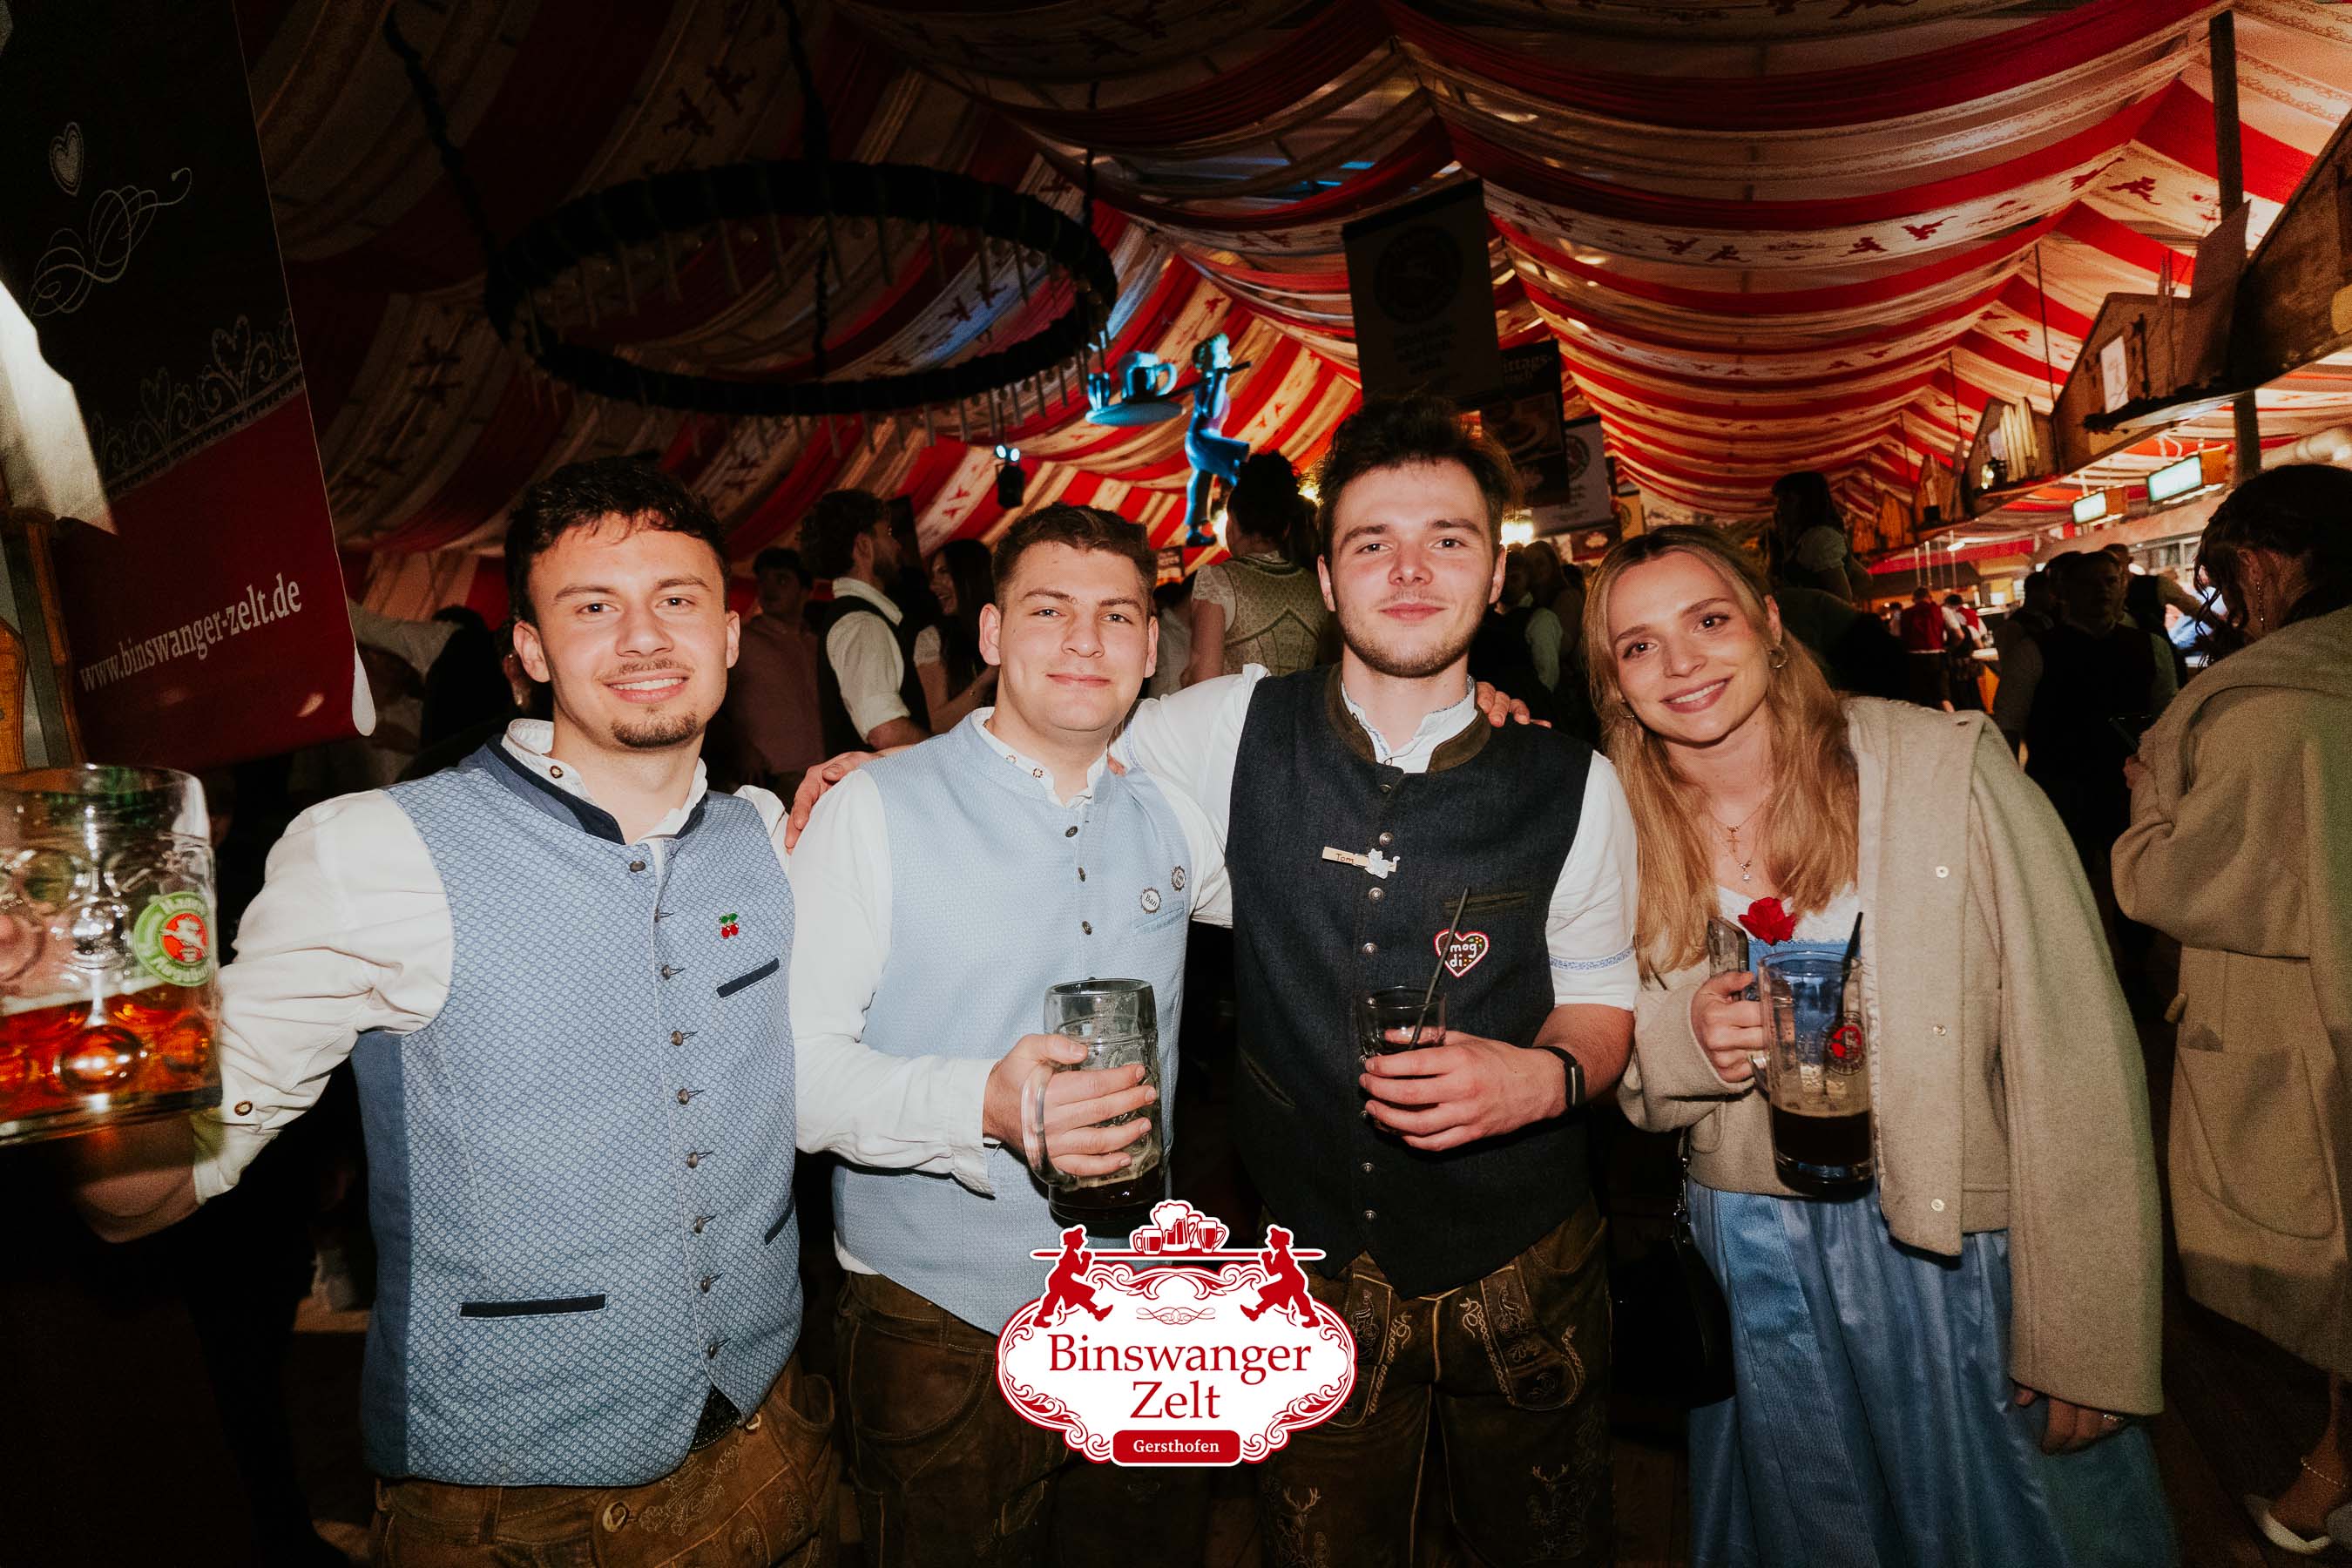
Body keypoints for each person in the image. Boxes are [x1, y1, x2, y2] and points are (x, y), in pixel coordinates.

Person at [66, 456, 841, 1565]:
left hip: (779, 1447)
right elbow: (132, 1198)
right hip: (520, 1513)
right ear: (531, 650)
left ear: (729, 635)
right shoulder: (377, 852)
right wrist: (78, 1010)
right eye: (592, 607)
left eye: (676, 599)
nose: (643, 637)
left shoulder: (767, 835)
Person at [1118, 392, 1638, 1566]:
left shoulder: (1574, 783)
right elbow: (1054, 755)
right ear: (1325, 577)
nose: (1409, 572)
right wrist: (879, 782)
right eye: (1371, 544)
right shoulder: (1224, 727)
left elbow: (1605, 996)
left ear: (1495, 575)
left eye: (1447, 539)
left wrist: (1545, 1080)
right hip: (1306, 1272)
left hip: (1526, 1267)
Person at [1597, 524, 2173, 1568]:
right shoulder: (1612, 825)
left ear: (1772, 625)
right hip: (1756, 1264)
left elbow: (2075, 1046)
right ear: (1613, 680)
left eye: (1710, 620)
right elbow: (1615, 1053)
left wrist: (2089, 1331)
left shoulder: (1939, 769)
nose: (1680, 663)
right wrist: (1686, 1038)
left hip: (1955, 1251)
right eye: (1639, 646)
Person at [789, 503, 1229, 1565]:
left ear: (1151, 647)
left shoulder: (1176, 817)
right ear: (990, 634)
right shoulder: (874, 809)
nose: (1085, 640)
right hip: (938, 1329)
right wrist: (980, 1105)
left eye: (1116, 616)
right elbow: (795, 1077)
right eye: (1048, 610)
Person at [2112, 463, 2352, 1555]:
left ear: (2258, 563)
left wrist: (2148, 806)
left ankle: (2332, 1471)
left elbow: (2185, 882)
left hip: (2310, 1027)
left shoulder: (2269, 710)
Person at [1995, 551, 2176, 902]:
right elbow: (2007, 727)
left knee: (2138, 893)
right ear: (2066, 592)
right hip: (2059, 790)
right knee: (2066, 892)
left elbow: (2167, 720)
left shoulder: (2151, 647)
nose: (2102, 590)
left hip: (2131, 791)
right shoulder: (2032, 652)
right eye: (2089, 583)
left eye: (2110, 581)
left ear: (2122, 587)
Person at [799, 488, 930, 752]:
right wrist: (947, 756)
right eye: (888, 534)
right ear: (864, 546)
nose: (897, 545)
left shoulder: (856, 618)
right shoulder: (863, 623)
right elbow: (885, 731)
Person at [1184, 450, 1332, 683]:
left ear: (1232, 524)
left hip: (1239, 709)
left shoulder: (1219, 580)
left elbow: (1204, 680)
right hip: (1303, 707)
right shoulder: (1316, 585)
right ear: (1286, 529)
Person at [724, 546, 825, 792]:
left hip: (824, 769)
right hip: (770, 776)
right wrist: (742, 748)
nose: (769, 590)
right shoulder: (742, 640)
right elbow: (712, 703)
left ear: (806, 591)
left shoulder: (817, 643)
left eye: (781, 580)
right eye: (763, 581)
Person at [912, 537, 997, 731]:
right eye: (933, 576)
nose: (933, 586)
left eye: (943, 572)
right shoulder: (933, 639)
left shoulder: (1007, 622)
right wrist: (988, 677)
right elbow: (939, 723)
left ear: (971, 575)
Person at [1768, 470, 1872, 604]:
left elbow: (1842, 597)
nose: (1780, 508)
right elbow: (1863, 578)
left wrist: (1814, 605)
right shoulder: (1811, 538)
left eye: (1787, 500)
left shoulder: (1819, 539)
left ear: (1807, 502)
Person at [1896, 585, 1953, 710]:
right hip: (1937, 657)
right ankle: (1952, 721)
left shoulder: (1901, 614)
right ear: (1930, 598)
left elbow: (1895, 635)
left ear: (1913, 599)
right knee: (1942, 698)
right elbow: (1959, 634)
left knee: (1917, 700)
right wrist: (1950, 648)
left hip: (1913, 659)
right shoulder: (1942, 610)